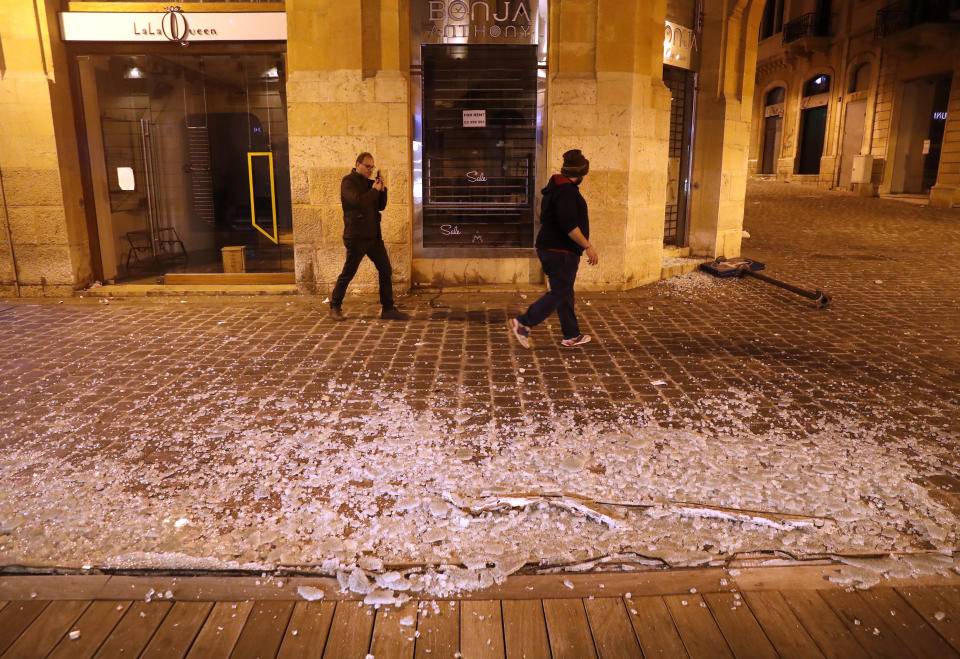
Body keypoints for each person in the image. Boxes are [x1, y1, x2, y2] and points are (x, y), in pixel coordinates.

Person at [508, 149, 598, 348]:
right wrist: (588, 246)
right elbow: (569, 225)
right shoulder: (566, 191)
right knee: (560, 291)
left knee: (565, 291)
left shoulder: (557, 187)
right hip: (560, 251)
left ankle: (571, 335)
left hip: (553, 249)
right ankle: (523, 323)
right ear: (581, 173)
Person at [330, 152, 409, 321]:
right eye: (367, 166)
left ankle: (388, 308)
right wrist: (374, 190)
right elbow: (358, 202)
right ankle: (335, 306)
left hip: (373, 236)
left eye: (372, 167)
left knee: (385, 269)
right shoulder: (348, 182)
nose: (370, 170)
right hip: (356, 236)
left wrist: (383, 188)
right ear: (358, 164)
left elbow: (380, 206)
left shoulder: (370, 183)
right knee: (349, 272)